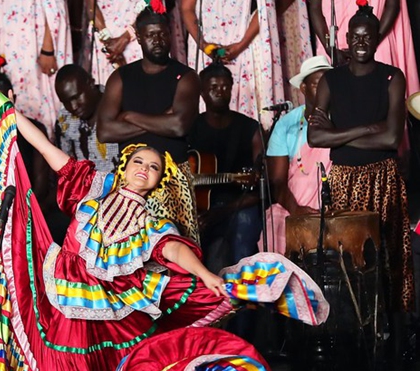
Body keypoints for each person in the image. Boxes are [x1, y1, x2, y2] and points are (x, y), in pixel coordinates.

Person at [0, 83, 328, 371]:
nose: (144, 170)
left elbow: (170, 249)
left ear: (157, 182)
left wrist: (206, 275)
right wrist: (6, 112)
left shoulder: (150, 220)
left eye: (153, 169)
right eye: (139, 163)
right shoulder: (92, 189)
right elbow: (46, 149)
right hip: (63, 296)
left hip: (115, 310)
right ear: (124, 165)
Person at [307, 2, 413, 313]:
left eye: (367, 37)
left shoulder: (393, 77)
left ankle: (394, 333)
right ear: (347, 39)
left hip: (384, 177)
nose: (361, 43)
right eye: (356, 37)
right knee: (347, 260)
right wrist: (370, 128)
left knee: (388, 256)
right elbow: (315, 137)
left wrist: (338, 132)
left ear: (377, 37)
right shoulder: (330, 80)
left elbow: (392, 137)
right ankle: (353, 329)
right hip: (342, 179)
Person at [97, 0, 201, 242]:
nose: (158, 40)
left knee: (173, 251)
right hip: (131, 177)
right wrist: (160, 119)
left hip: (172, 176)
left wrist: (129, 116)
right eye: (151, 35)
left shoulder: (185, 76)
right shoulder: (121, 77)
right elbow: (105, 130)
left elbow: (178, 126)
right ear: (140, 39)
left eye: (163, 34)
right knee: (128, 251)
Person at [187, 63, 262, 266]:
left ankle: (246, 292)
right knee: (209, 258)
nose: (220, 92)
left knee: (242, 247)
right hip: (201, 207)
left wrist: (223, 211)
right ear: (202, 92)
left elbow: (259, 187)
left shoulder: (249, 127)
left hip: (239, 204)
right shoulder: (190, 128)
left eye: (225, 87)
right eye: (213, 88)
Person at [261, 55, 333, 255]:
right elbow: (277, 181)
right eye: (317, 85)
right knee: (274, 228)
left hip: (332, 207)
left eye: (329, 84)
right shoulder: (286, 124)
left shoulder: (341, 119)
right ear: (303, 88)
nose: (324, 91)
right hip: (291, 206)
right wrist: (297, 210)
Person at [181, 0, 285, 127]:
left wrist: (242, 44)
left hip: (242, 42)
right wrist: (203, 45)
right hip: (204, 44)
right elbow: (187, 8)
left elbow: (266, 8)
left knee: (242, 102)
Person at [0, 0, 72, 136]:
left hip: (31, 40)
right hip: (2, 36)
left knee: (35, 101)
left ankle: (41, 148)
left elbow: (54, 5)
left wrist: (48, 49)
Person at [308, 0, 419, 97]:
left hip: (378, 41)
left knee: (380, 100)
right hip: (335, 45)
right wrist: (330, 48)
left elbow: (392, 5)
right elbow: (315, 7)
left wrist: (371, 42)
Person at [54, 64, 119, 172]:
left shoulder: (117, 104)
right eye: (66, 102)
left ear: (91, 84)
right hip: (85, 186)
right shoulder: (64, 119)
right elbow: (66, 167)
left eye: (76, 97)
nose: (73, 107)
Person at [82, 0, 142, 85]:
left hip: (136, 34)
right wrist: (109, 43)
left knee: (137, 87)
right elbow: (90, 5)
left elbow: (151, 4)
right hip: (102, 35)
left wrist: (125, 38)